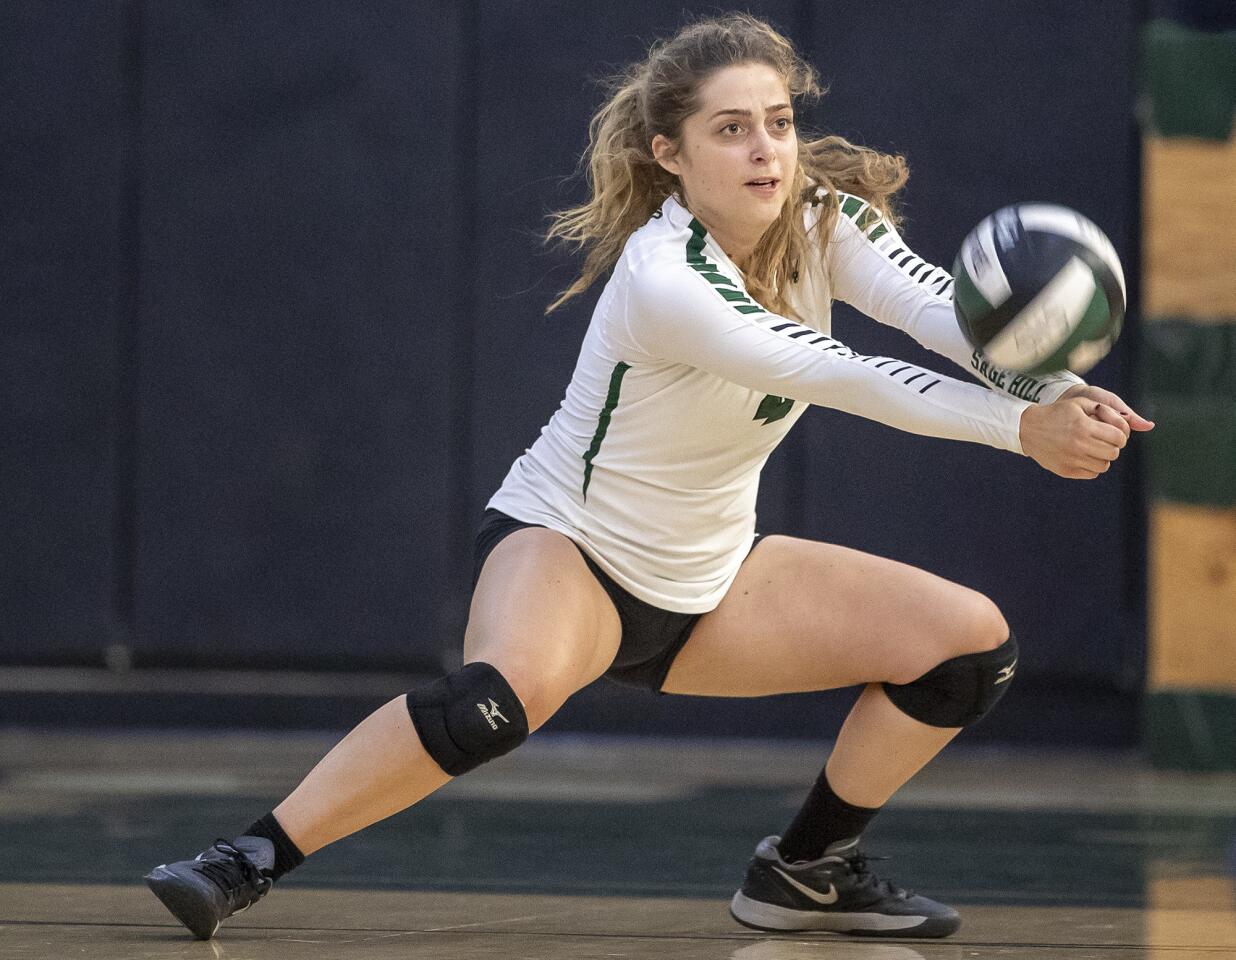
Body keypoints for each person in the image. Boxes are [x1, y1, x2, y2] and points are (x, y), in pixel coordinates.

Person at [145, 13, 1153, 941]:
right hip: (570, 550)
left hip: (708, 583)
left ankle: (806, 870)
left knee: (967, 651)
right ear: (670, 153)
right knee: (493, 704)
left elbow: (944, 314)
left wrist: (1060, 387)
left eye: (780, 122)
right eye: (731, 130)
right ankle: (243, 860)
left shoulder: (824, 221)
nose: (766, 149)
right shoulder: (666, 276)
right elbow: (840, 375)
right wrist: (1023, 427)